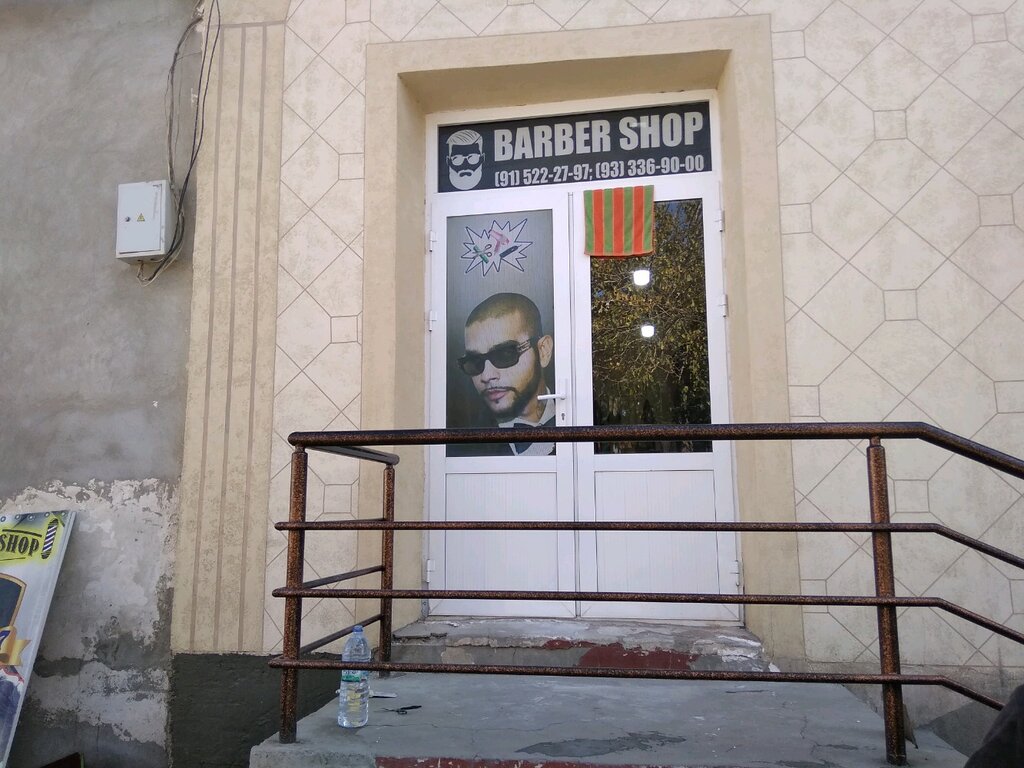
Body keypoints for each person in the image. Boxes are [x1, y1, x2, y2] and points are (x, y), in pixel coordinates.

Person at [452, 293, 555, 456]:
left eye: (505, 354)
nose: (486, 376)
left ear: (543, 351)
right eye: (475, 362)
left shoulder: (583, 417)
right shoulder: (460, 448)